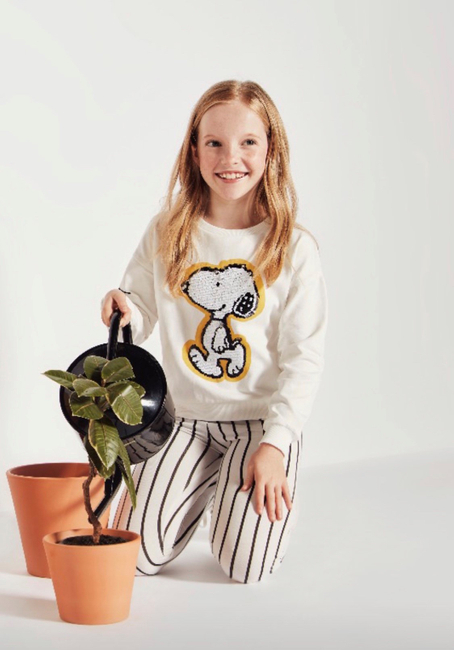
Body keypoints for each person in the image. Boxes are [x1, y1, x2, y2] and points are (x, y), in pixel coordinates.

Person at [101, 79, 328, 584]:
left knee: (245, 568)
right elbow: (140, 309)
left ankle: (232, 494)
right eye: (215, 143)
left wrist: (276, 445)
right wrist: (123, 306)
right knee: (134, 556)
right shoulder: (168, 230)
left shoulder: (293, 247)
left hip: (261, 425)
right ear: (195, 151)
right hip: (184, 420)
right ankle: (203, 489)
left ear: (271, 149)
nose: (231, 158)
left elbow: (304, 359)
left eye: (248, 142)